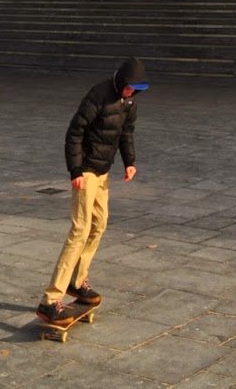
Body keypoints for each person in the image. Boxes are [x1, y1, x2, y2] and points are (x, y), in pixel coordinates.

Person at [37, 56, 148, 323]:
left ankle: (77, 279)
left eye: (136, 90)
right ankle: (51, 299)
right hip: (86, 169)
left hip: (103, 170)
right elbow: (74, 132)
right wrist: (75, 170)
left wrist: (129, 162)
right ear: (121, 81)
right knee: (80, 229)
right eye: (129, 88)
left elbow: (126, 132)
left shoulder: (130, 101)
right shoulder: (98, 94)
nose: (131, 93)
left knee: (100, 224)